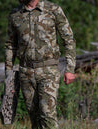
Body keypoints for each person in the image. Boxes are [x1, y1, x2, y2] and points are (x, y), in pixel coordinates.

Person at [5, 0, 76, 128]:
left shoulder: (53, 10)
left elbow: (69, 40)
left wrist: (70, 68)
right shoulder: (15, 14)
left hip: (48, 70)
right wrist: (8, 75)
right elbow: (10, 46)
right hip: (25, 72)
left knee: (47, 115)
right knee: (34, 117)